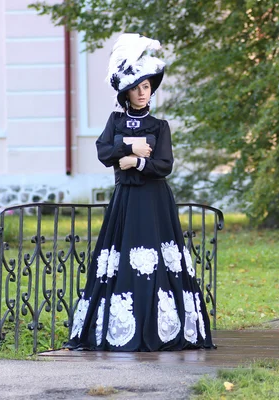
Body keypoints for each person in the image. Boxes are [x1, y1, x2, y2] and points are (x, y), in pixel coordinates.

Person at [65, 33, 214, 351]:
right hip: (126, 202)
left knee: (158, 262)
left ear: (152, 88)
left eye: (146, 86)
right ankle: (119, 330)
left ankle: (164, 328)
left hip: (155, 202)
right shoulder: (116, 121)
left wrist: (136, 163)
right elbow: (104, 152)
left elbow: (164, 165)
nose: (142, 93)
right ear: (126, 92)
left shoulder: (160, 126)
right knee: (124, 262)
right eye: (135, 87)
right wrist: (129, 149)